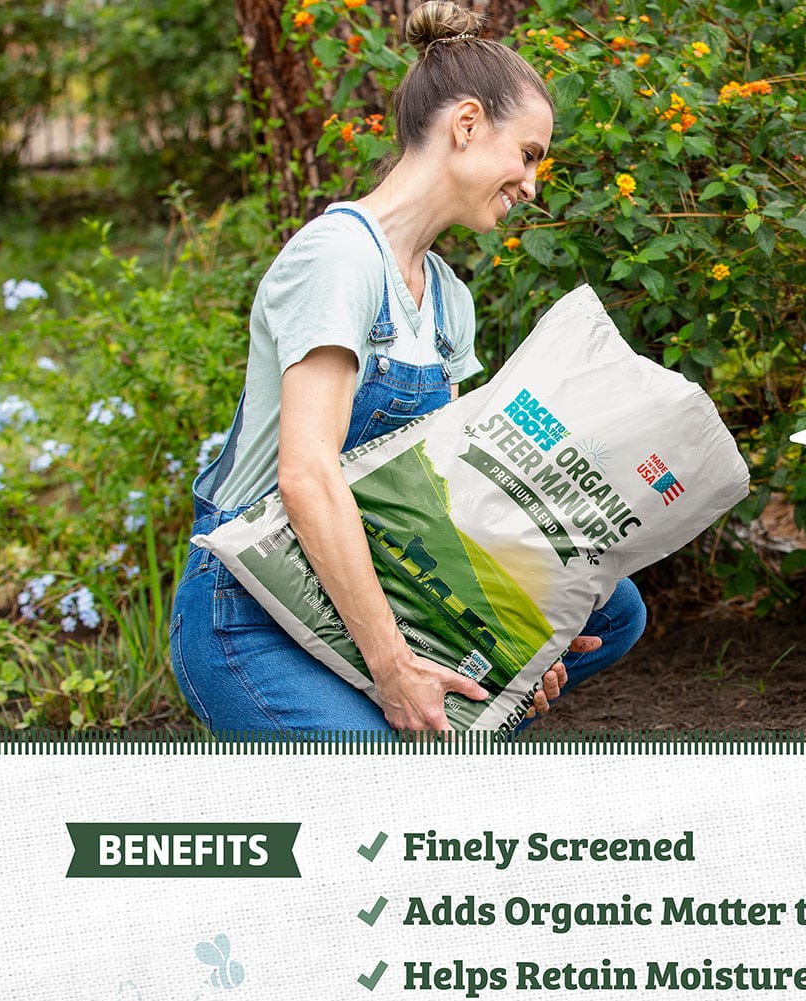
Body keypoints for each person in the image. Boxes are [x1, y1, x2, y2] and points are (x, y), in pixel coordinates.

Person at [169, 0, 646, 736]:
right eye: (528, 153)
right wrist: (392, 669)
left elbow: (443, 494)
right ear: (465, 126)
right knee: (387, 787)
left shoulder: (448, 298)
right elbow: (305, 476)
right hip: (254, 604)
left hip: (377, 580)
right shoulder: (339, 259)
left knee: (610, 611)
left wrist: (525, 647)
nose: (531, 185)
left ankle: (437, 723)